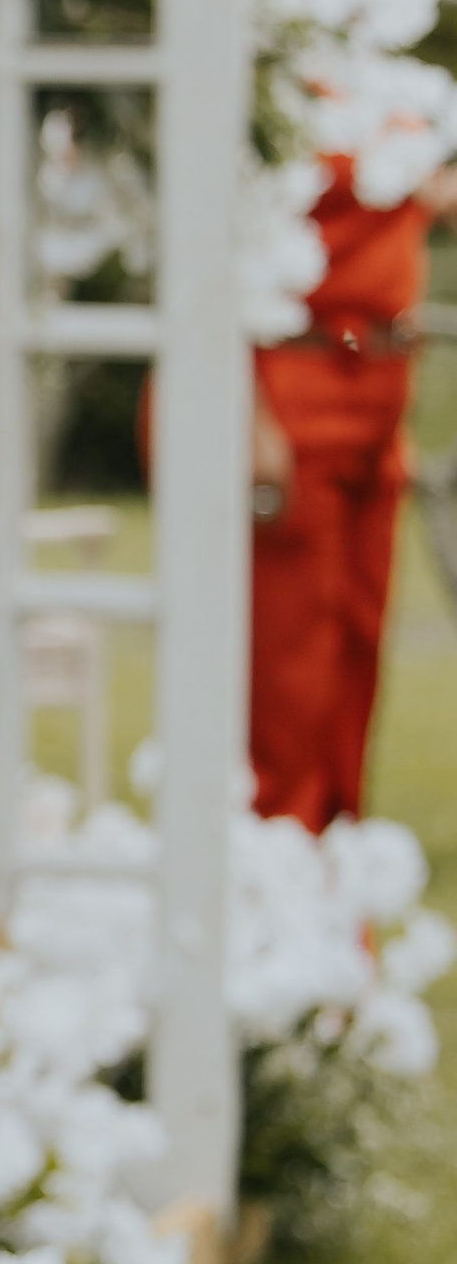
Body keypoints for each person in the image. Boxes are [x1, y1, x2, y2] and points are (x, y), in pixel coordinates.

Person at [251, 153, 457, 830]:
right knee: (290, 669)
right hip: (300, 383)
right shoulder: (279, 100)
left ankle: (340, 861)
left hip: (383, 395)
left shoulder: (408, 106)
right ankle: (278, 854)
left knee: (357, 652)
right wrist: (248, 413)